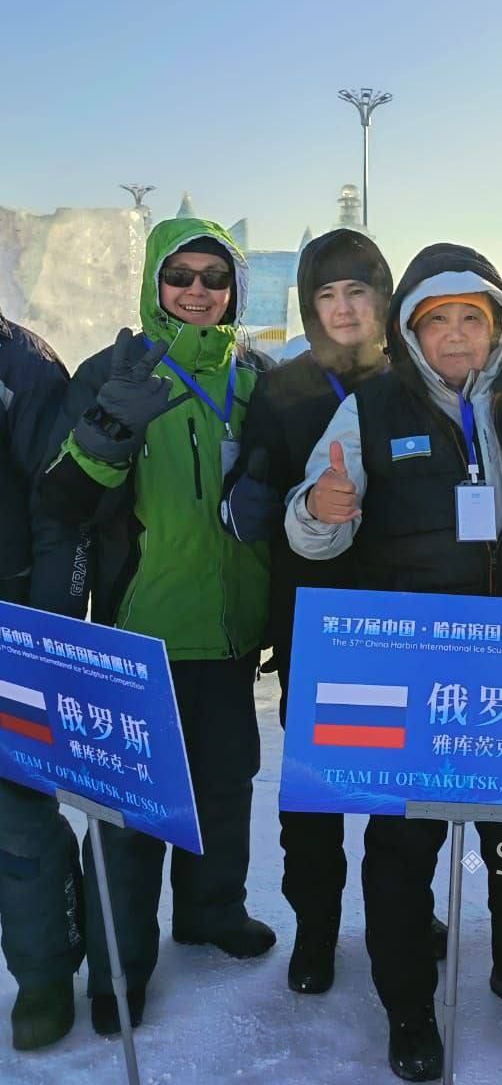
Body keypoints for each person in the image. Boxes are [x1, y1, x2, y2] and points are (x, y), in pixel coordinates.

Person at [286, 243, 502, 1081]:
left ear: (498, 328)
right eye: (437, 320)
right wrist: (320, 508)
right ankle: (409, 1004)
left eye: (472, 318)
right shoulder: (370, 410)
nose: (456, 335)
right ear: (411, 331)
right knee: (402, 848)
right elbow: (313, 531)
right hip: (411, 668)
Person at [39, 217, 275, 1036]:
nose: (198, 291)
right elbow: (61, 502)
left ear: (233, 290)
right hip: (141, 631)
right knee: (131, 810)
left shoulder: (257, 378)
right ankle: (119, 966)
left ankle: (212, 910)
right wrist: (109, 432)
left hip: (232, 628)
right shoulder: (112, 371)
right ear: (153, 282)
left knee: (224, 784)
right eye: (180, 276)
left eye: (215, 277)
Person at [221, 228, 450, 994]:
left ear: (384, 300)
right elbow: (253, 505)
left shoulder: (417, 380)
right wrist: (266, 495)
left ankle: (407, 913)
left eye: (358, 292)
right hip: (314, 623)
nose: (344, 309)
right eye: (327, 295)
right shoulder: (284, 390)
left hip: (405, 619)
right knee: (315, 794)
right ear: (308, 306)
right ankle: (315, 928)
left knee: (403, 792)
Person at [0, 312, 88, 1050]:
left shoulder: (21, 368)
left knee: (18, 809)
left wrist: (48, 630)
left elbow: (60, 510)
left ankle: (44, 973)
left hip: (10, 619)